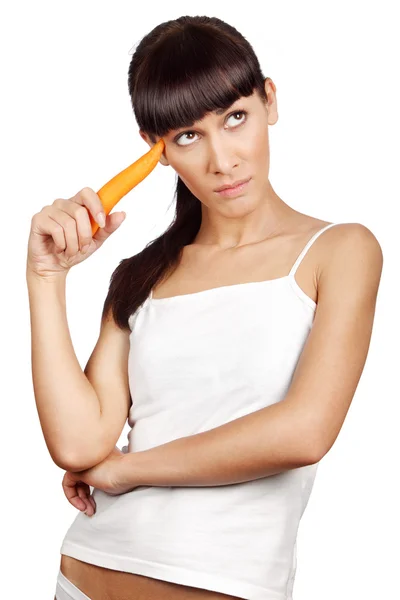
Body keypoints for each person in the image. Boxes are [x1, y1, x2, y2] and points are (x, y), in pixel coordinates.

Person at [26, 14, 383, 600]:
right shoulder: (141, 275)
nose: (223, 161)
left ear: (269, 101)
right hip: (83, 573)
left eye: (235, 118)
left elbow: (304, 431)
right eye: (189, 136)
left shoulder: (340, 251)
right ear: (157, 150)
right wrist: (46, 278)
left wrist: (124, 470)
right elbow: (78, 445)